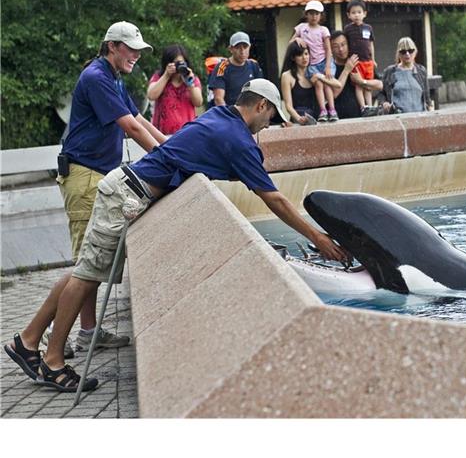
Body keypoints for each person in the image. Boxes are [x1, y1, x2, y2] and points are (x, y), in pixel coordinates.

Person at [4, 79, 349, 393]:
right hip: (127, 196)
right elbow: (273, 198)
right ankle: (51, 361)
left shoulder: (219, 118)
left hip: (123, 187)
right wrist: (317, 238)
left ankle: (28, 340)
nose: (267, 125)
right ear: (261, 106)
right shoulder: (236, 138)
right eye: (270, 116)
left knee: (83, 271)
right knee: (88, 277)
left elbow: (206, 154)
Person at [37, 22, 168, 360]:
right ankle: (49, 333)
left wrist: (170, 146)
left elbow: (139, 118)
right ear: (112, 46)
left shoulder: (113, 78)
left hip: (97, 174)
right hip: (84, 176)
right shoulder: (97, 77)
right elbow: (130, 127)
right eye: (130, 48)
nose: (136, 55)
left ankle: (88, 331)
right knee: (86, 264)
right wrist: (166, 157)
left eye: (139, 49)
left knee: (92, 262)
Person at [290, 1, 337, 122]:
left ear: (321, 15)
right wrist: (298, 38)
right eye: (311, 13)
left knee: (327, 82)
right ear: (306, 14)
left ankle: (332, 109)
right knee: (318, 84)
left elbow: (328, 49)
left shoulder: (323, 30)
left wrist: (327, 66)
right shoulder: (302, 27)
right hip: (312, 64)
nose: (314, 16)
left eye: (316, 13)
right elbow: (291, 43)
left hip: (324, 61)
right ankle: (323, 110)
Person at [147, 44, 203, 134]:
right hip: (161, 133)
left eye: (180, 63)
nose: (177, 66)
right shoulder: (159, 76)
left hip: (186, 133)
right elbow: (151, 96)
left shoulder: (192, 79)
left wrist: (190, 83)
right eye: (175, 63)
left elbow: (198, 102)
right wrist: (166, 75)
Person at [280, 41, 340, 126]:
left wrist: (320, 76)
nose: (304, 58)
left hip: (320, 120)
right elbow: (288, 106)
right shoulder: (287, 76)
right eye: (300, 55)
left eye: (306, 54)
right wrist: (299, 119)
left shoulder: (315, 72)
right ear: (293, 57)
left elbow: (338, 85)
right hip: (299, 121)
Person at [330, 30, 383, 119]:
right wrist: (346, 70)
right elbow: (334, 94)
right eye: (336, 46)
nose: (341, 49)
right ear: (331, 49)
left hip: (362, 117)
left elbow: (380, 85)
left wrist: (361, 81)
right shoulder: (330, 68)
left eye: (343, 44)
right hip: (339, 119)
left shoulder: (360, 62)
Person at [377, 37, 433, 114]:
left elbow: (427, 97)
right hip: (398, 117)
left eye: (410, 51)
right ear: (398, 53)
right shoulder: (390, 71)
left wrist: (431, 112)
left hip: (420, 116)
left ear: (415, 52)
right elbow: (381, 94)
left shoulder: (421, 71)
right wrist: (384, 103)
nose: (407, 54)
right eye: (403, 51)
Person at [209, 31, 263, 106]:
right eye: (238, 47)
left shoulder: (254, 65)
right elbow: (218, 99)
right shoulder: (221, 67)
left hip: (250, 112)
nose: (242, 51)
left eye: (245, 47)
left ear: (249, 47)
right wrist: (229, 116)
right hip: (229, 112)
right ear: (231, 49)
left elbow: (260, 92)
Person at [343, 0, 377, 113]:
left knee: (368, 86)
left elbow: (371, 44)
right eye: (353, 12)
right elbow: (345, 44)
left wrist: (373, 59)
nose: (356, 15)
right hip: (356, 61)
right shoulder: (347, 29)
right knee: (358, 84)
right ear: (349, 15)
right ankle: (363, 107)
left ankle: (370, 106)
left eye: (359, 12)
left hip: (368, 61)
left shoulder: (368, 28)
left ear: (364, 13)